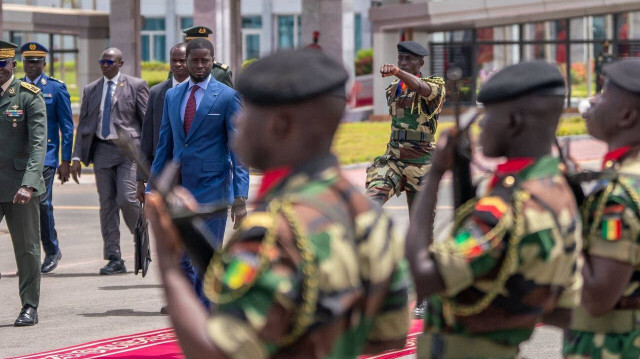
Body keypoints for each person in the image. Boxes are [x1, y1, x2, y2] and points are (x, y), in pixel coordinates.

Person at [145, 48, 411, 359]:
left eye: (248, 111)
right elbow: (390, 334)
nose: (239, 121)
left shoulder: (272, 232)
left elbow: (215, 351)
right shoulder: (366, 213)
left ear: (280, 125)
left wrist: (167, 258)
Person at [405, 61, 583, 358]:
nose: (481, 125)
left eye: (488, 115)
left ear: (513, 123)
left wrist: (435, 174)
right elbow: (561, 307)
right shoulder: (557, 188)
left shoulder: (504, 209)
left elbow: (423, 275)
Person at [149, 38, 249, 307]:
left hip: (213, 190)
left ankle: (206, 318)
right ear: (187, 60)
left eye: (206, 60)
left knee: (206, 258)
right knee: (181, 257)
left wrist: (240, 197)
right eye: (195, 60)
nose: (200, 65)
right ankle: (191, 310)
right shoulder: (173, 95)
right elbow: (164, 146)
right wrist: (151, 188)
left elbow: (238, 150)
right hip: (179, 191)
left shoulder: (227, 97)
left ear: (212, 60)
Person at [563, 59, 640, 358]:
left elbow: (596, 298)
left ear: (627, 115)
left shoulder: (618, 196)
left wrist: (567, 214)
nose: (591, 102)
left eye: (604, 94)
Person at [70, 47, 149, 275]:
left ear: (120, 63)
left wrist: (149, 157)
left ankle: (141, 236)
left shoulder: (136, 86)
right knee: (107, 205)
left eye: (110, 61)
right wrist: (76, 156)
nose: (105, 65)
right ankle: (114, 256)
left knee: (126, 197)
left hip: (128, 152)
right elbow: (84, 125)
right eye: (102, 61)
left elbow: (146, 123)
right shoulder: (91, 89)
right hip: (102, 151)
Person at [366, 41, 445, 210]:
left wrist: (397, 72)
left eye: (408, 59)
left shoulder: (435, 86)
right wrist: (398, 75)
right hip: (393, 160)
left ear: (421, 63)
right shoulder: (393, 89)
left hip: (421, 163)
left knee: (421, 225)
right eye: (400, 59)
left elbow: (421, 88)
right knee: (370, 203)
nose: (402, 63)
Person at [0, 40, 47, 326]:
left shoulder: (28, 96)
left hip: (20, 187)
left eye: (1, 64)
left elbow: (39, 143)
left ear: (12, 65)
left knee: (28, 248)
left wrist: (29, 184)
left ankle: (29, 305)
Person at [19, 41, 73, 274]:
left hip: (47, 156)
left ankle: (51, 250)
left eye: (36, 61)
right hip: (19, 157)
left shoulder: (55, 88)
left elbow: (67, 127)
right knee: (20, 209)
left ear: (44, 62)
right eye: (28, 61)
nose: (32, 65)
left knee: (42, 203)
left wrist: (66, 160)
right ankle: (28, 254)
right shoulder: (15, 88)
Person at [136, 43, 189, 202]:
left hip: (191, 169)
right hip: (163, 169)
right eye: (174, 60)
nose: (177, 64)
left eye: (182, 60)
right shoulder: (157, 92)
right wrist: (140, 178)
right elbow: (147, 136)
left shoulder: (200, 92)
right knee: (163, 220)